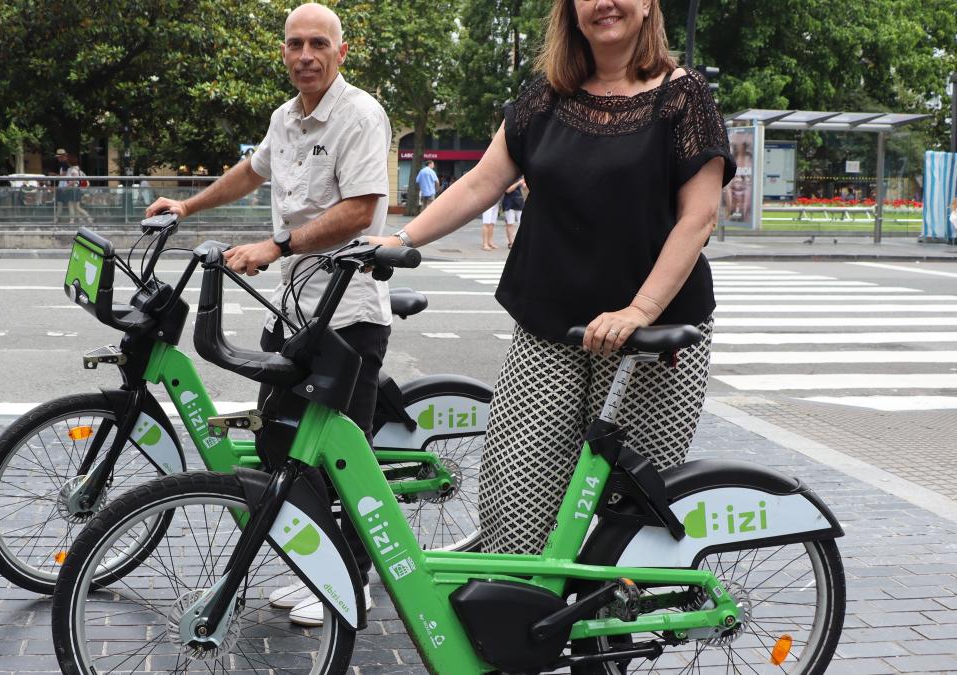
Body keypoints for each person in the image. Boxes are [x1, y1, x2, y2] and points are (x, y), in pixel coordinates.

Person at [369, 0, 735, 556]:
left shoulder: (682, 98)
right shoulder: (546, 95)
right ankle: (527, 622)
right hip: (550, 325)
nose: (604, 3)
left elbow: (698, 217)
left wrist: (638, 311)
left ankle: (610, 632)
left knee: (626, 511)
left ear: (647, 6)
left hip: (649, 336)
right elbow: (481, 184)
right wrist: (402, 240)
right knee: (514, 494)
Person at [145, 2, 390, 626]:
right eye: (293, 44)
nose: (304, 55)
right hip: (291, 309)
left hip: (347, 313)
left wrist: (277, 245)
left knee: (340, 458)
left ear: (342, 50)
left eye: (317, 43)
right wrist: (188, 209)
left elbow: (360, 210)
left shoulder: (360, 115)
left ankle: (354, 580)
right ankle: (318, 568)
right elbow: (246, 176)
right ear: (282, 51)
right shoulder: (285, 118)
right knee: (283, 446)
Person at [64, 158, 94, 223]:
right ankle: (77, 219)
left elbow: (74, 180)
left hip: (73, 190)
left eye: (67, 161)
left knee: (74, 206)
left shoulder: (73, 170)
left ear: (69, 162)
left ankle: (85, 217)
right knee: (74, 206)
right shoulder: (77, 169)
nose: (66, 162)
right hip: (75, 190)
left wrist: (67, 186)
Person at [500, 176, 525, 248]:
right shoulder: (507, 178)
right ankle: (511, 243)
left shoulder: (520, 178)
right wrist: (518, 183)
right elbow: (508, 190)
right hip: (509, 204)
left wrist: (524, 185)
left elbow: (524, 188)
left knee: (523, 223)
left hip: (519, 203)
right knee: (510, 224)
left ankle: (522, 241)